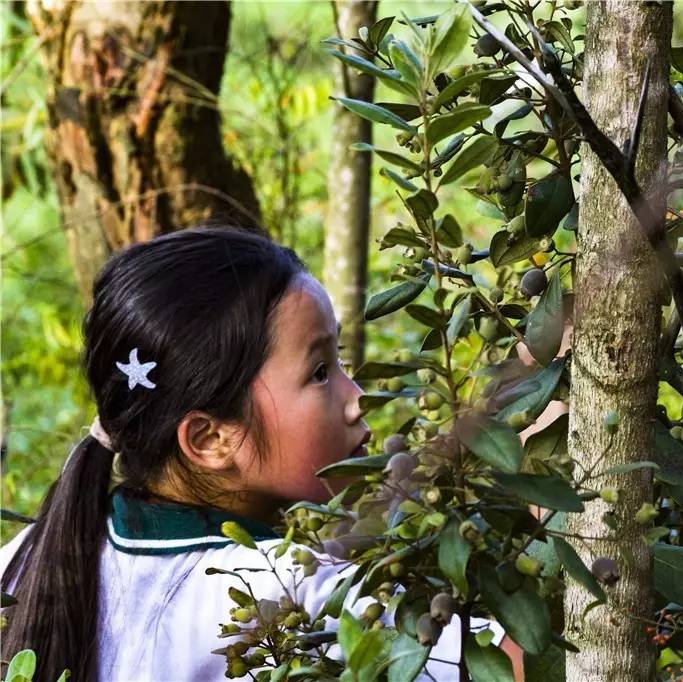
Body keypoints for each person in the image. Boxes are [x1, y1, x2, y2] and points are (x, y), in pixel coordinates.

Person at [0, 225, 522, 681]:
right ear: (210, 440)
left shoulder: (27, 558)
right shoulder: (284, 594)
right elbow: (516, 666)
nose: (357, 397)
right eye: (319, 373)